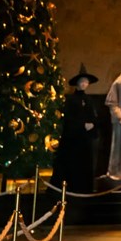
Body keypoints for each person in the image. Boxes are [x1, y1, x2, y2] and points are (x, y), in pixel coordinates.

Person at [51, 64, 99, 193]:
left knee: (85, 165)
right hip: (73, 140)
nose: (84, 84)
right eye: (82, 81)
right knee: (72, 165)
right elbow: (68, 119)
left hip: (86, 141)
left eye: (86, 81)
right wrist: (82, 125)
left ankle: (85, 190)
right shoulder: (70, 100)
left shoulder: (89, 100)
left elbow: (94, 117)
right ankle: (71, 189)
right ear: (77, 83)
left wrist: (93, 125)